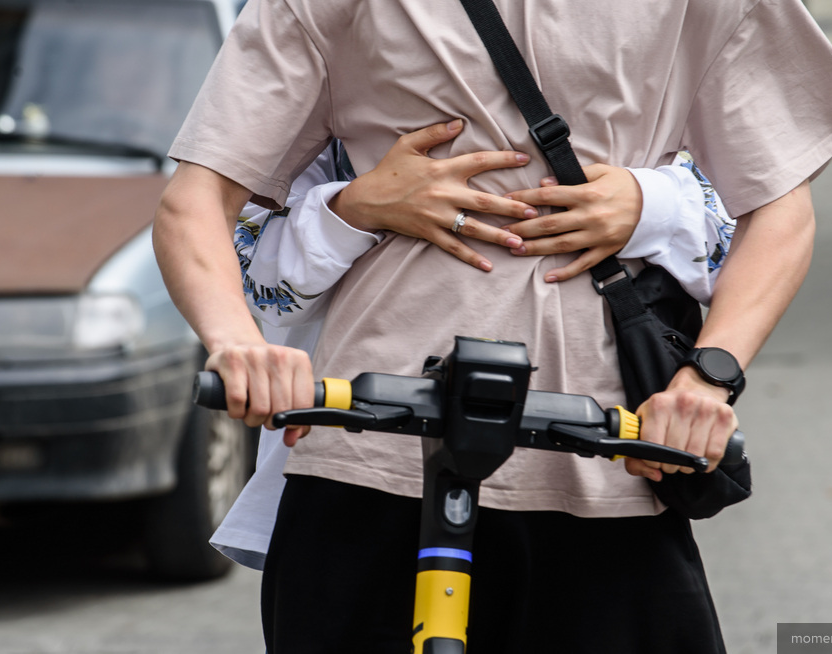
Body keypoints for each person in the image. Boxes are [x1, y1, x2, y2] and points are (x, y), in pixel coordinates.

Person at [153, 1, 832, 650]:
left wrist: (709, 378)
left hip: (606, 458)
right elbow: (196, 200)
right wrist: (238, 342)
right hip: (371, 457)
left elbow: (779, 205)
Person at [210, 123, 735, 570]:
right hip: (364, 458)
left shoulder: (648, 87)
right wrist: (355, 208)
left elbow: (753, 224)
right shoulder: (340, 70)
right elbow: (262, 288)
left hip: (600, 462)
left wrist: (648, 205)